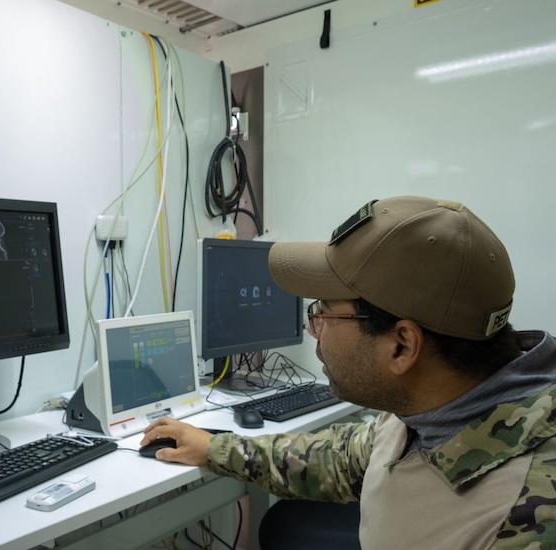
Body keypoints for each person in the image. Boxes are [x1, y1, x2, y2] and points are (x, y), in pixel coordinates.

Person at [140, 196, 556, 548]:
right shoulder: (424, 409)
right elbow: (338, 460)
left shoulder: (527, 513)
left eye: (323, 312)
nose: (313, 330)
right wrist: (214, 448)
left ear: (402, 346)